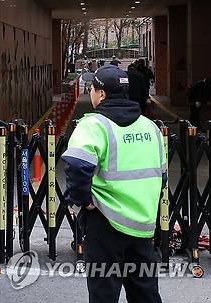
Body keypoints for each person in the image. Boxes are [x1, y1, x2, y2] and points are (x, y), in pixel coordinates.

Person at [62, 65, 164, 303]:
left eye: (93, 89)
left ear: (102, 94)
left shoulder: (94, 125)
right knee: (145, 292)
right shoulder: (150, 127)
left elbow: (76, 166)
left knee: (104, 293)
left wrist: (84, 201)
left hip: (106, 223)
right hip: (142, 225)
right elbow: (162, 175)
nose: (91, 94)